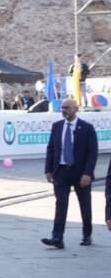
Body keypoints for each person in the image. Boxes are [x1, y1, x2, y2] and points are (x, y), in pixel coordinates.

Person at [42, 97, 97, 248]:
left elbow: (92, 153)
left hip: (80, 173)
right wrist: (48, 169)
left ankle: (87, 235)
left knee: (85, 204)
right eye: (62, 108)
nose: (64, 110)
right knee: (61, 204)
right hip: (61, 171)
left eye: (67, 107)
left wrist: (88, 173)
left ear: (75, 109)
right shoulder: (57, 126)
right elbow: (51, 148)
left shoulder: (87, 128)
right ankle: (57, 237)